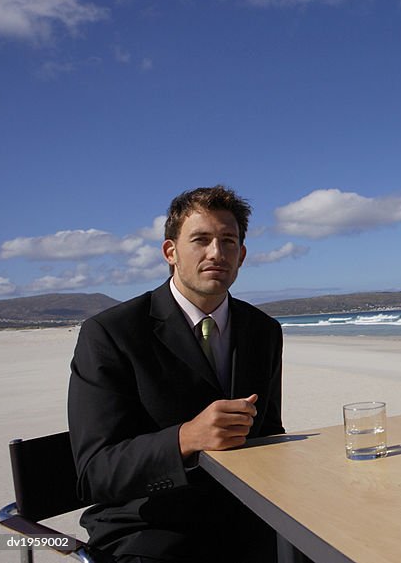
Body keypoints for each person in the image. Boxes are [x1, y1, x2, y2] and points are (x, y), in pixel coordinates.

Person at [68, 186, 284, 562]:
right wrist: (185, 438)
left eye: (228, 241)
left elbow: (268, 432)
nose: (216, 253)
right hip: (149, 526)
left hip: (246, 517)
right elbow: (95, 473)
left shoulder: (263, 330)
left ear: (242, 254)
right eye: (201, 239)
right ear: (171, 252)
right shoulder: (111, 333)